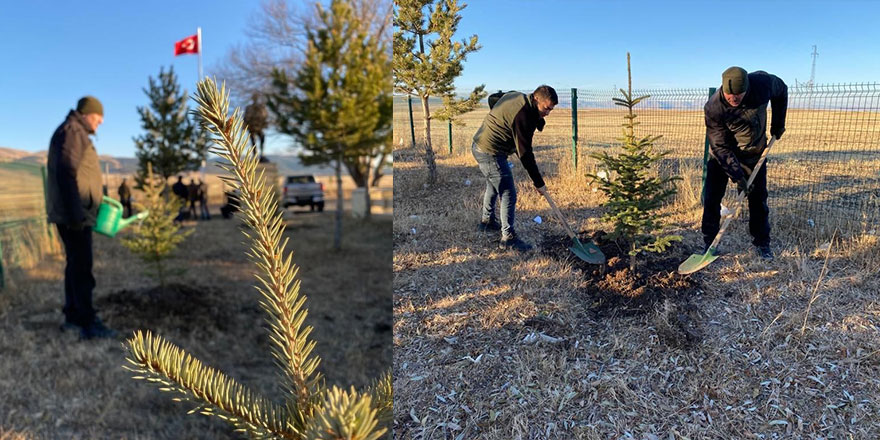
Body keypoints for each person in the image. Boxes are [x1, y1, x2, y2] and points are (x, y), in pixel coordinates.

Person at [46, 96, 117, 339]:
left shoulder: (73, 131)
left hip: (74, 214)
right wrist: (77, 214)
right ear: (86, 113)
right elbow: (67, 172)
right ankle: (88, 323)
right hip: (73, 217)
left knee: (75, 266)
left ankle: (73, 317)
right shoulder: (73, 132)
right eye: (98, 117)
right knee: (82, 269)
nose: (101, 121)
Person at [703, 66, 788, 260]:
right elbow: (720, 146)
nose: (733, 99)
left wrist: (778, 123)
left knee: (758, 199)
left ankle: (762, 243)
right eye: (729, 95)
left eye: (738, 96)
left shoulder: (763, 84)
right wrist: (738, 176)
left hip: (754, 153)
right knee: (712, 198)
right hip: (722, 155)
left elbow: (782, 90)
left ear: (747, 89)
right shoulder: (714, 107)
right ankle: (709, 242)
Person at [472, 85, 557, 251]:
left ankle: (487, 221)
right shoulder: (523, 115)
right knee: (508, 192)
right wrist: (538, 182)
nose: (548, 113)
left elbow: (493, 98)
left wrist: (501, 118)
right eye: (546, 109)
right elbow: (525, 153)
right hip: (489, 151)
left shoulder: (517, 96)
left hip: (481, 145)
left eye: (551, 110)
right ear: (536, 99)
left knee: (494, 184)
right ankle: (508, 238)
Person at [243, 92, 269, 162]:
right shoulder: (249, 108)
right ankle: (255, 155)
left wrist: (265, 123)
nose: (255, 99)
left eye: (256, 98)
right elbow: (245, 117)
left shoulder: (261, 107)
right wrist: (244, 125)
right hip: (251, 127)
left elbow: (265, 116)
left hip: (259, 127)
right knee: (253, 141)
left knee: (262, 138)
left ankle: (262, 155)